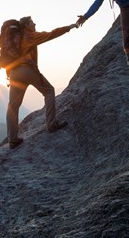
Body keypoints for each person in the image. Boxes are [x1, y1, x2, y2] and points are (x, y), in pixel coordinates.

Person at [6, 16, 77, 149]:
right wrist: (69, 27)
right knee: (49, 91)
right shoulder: (30, 36)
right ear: (27, 25)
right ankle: (52, 124)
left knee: (13, 106)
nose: (35, 24)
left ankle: (13, 139)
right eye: (32, 22)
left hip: (14, 73)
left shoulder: (15, 39)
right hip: (27, 70)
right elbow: (51, 34)